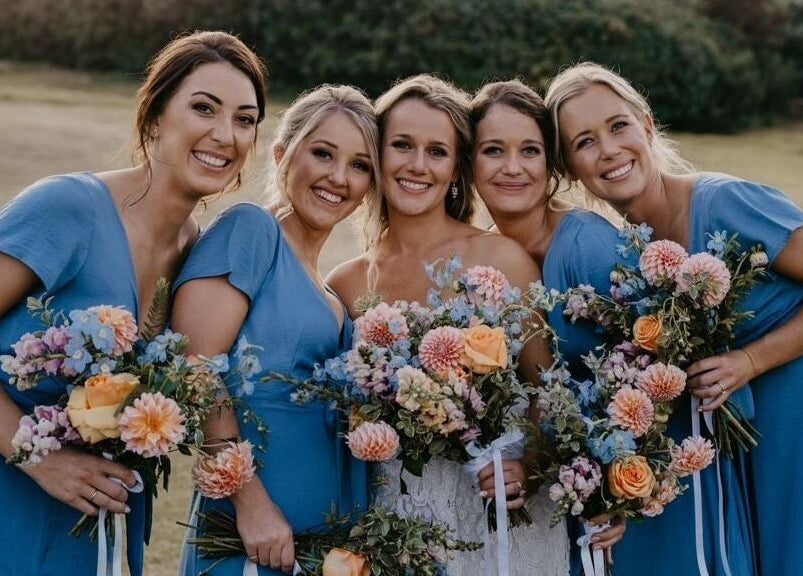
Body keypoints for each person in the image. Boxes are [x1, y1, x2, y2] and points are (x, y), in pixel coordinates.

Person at [0, 31, 267, 576]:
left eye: (245, 119)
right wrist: (39, 456)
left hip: (103, 530)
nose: (225, 134)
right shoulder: (68, 208)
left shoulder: (198, 256)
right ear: (154, 118)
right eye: (203, 108)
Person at [547, 62, 803, 575]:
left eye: (618, 126)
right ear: (571, 167)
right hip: (749, 442)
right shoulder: (624, 253)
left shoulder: (725, 202)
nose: (610, 150)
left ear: (645, 124)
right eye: (585, 142)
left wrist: (751, 359)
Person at [328, 74, 570, 576]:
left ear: (456, 167)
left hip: (501, 515)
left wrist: (530, 465)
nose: (417, 165)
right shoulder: (345, 283)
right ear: (377, 155)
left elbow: (548, 391)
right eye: (402, 145)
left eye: (437, 151)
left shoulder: (502, 259)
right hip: (401, 519)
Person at [173, 84, 378, 576]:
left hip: (319, 554)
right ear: (283, 154)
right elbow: (194, 367)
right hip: (250, 545)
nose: (338, 177)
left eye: (359, 165)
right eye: (322, 153)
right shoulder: (251, 231)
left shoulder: (328, 286)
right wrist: (251, 504)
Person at [469, 79, 627, 568]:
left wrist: (623, 480)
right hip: (556, 494)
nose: (513, 168)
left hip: (620, 500)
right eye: (493, 150)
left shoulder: (587, 245)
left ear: (551, 164)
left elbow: (650, 368)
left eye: (530, 151)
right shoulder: (486, 262)